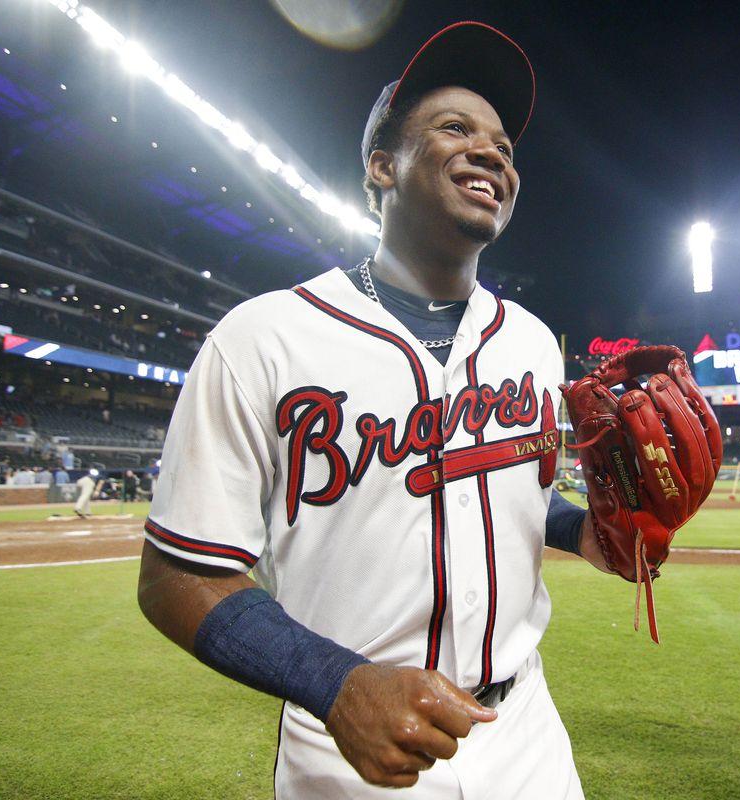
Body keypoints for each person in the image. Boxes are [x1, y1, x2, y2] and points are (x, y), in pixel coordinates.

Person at [138, 22, 610, 799]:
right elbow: (175, 576)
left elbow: (511, 483)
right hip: (346, 743)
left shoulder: (530, 342)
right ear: (382, 166)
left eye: (504, 145)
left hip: (526, 729)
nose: (492, 151)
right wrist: (335, 683)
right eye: (455, 128)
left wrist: (584, 531)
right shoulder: (262, 338)